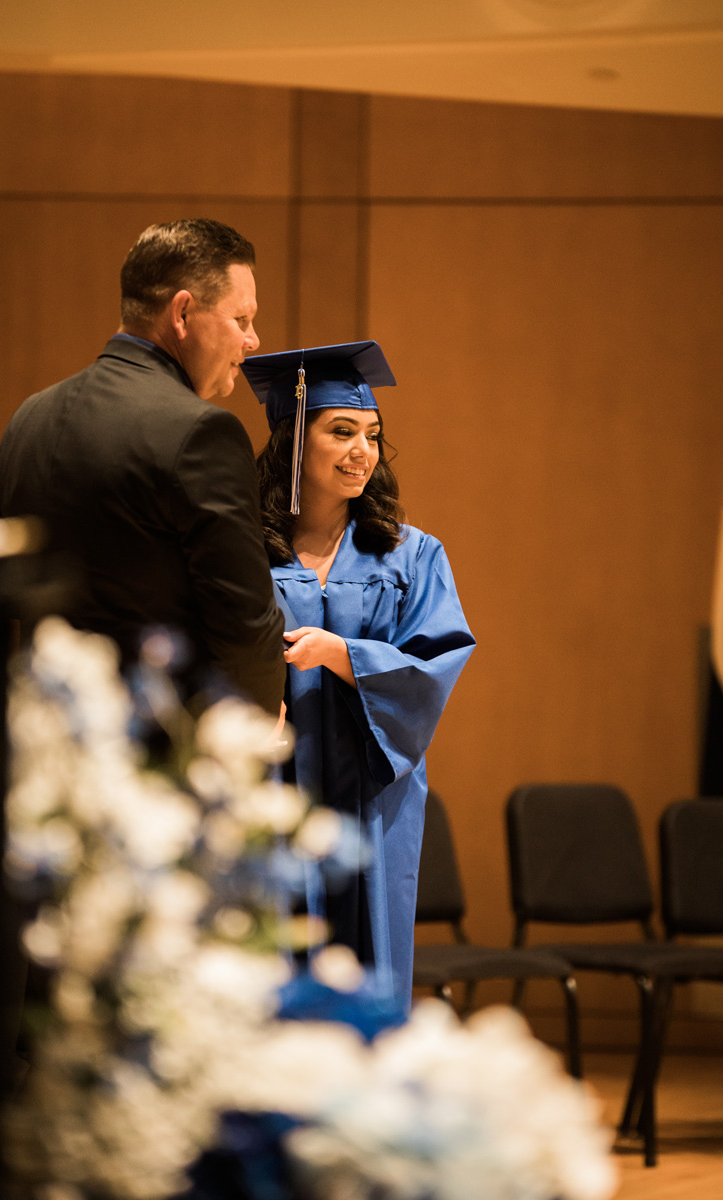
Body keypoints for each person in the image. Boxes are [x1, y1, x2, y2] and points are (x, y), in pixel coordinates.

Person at [247, 341, 475, 1010]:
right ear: (295, 442)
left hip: (374, 794)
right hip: (270, 792)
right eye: (341, 431)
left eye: (372, 435)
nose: (362, 451)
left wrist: (341, 654)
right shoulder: (242, 553)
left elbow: (436, 664)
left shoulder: (412, 554)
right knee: (268, 960)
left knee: (368, 957)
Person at [0, 218, 285, 716]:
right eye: (242, 319)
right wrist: (252, 734)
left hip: (42, 741)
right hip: (155, 756)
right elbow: (244, 625)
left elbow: (2, 595)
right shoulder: (202, 433)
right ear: (184, 313)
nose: (253, 340)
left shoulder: (27, 419)